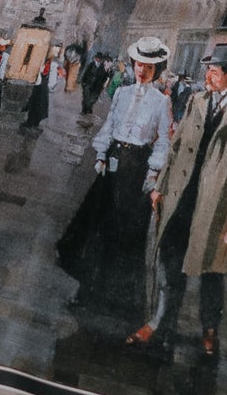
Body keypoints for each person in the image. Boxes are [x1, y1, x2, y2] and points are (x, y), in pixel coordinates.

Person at [129, 42, 227, 363]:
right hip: (182, 197)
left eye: (213, 72)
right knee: (169, 263)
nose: (207, 77)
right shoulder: (197, 100)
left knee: (212, 271)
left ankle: (210, 329)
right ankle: (159, 322)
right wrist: (160, 186)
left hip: (218, 204)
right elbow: (176, 147)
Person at [58, 36, 172, 316]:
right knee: (97, 228)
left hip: (136, 169)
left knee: (123, 234)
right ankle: (85, 290)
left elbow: (162, 142)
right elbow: (109, 126)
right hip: (112, 163)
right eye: (138, 65)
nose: (142, 71)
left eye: (148, 67)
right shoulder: (121, 93)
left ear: (157, 70)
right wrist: (100, 155)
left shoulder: (161, 102)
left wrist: (153, 172)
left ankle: (112, 298)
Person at [21, 49, 58, 132]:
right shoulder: (42, 62)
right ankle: (30, 122)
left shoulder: (52, 65)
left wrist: (49, 86)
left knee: (39, 106)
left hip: (43, 87)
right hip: (38, 86)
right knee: (33, 104)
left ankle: (34, 123)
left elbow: (52, 78)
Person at [79, 50, 111, 118]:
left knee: (93, 99)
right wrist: (83, 82)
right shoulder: (91, 65)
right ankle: (84, 110)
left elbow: (105, 77)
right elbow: (85, 73)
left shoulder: (103, 67)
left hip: (97, 86)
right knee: (86, 98)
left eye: (100, 58)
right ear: (95, 58)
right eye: (97, 58)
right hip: (88, 84)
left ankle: (89, 107)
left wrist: (102, 85)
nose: (98, 59)